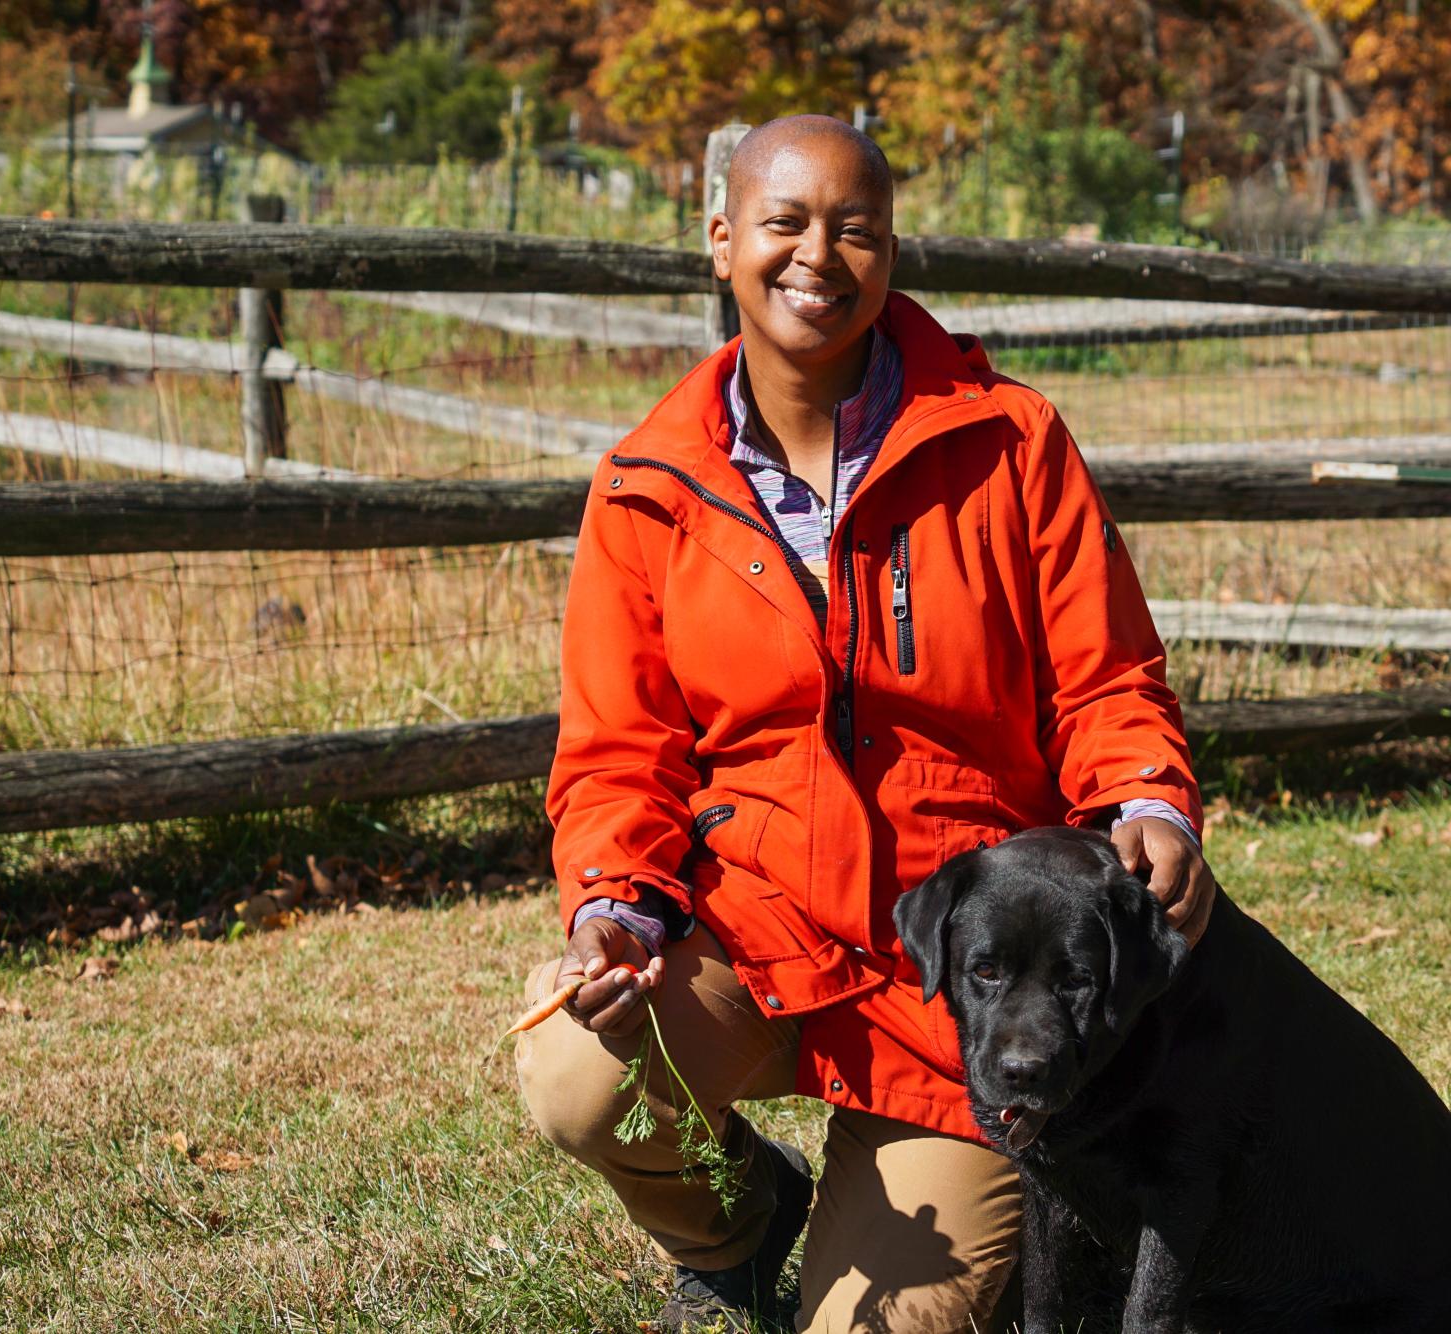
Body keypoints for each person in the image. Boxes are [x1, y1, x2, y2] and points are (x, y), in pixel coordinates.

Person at [516, 114, 1216, 1333]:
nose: (818, 257)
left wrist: (1147, 799)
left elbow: (1108, 681)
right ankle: (740, 1225)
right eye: (785, 224)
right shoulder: (649, 485)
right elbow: (619, 752)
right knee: (578, 1074)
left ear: (892, 252)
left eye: (857, 230)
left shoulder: (1009, 441)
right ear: (722, 239)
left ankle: (902, 1190)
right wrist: (613, 915)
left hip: (969, 973)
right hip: (759, 924)